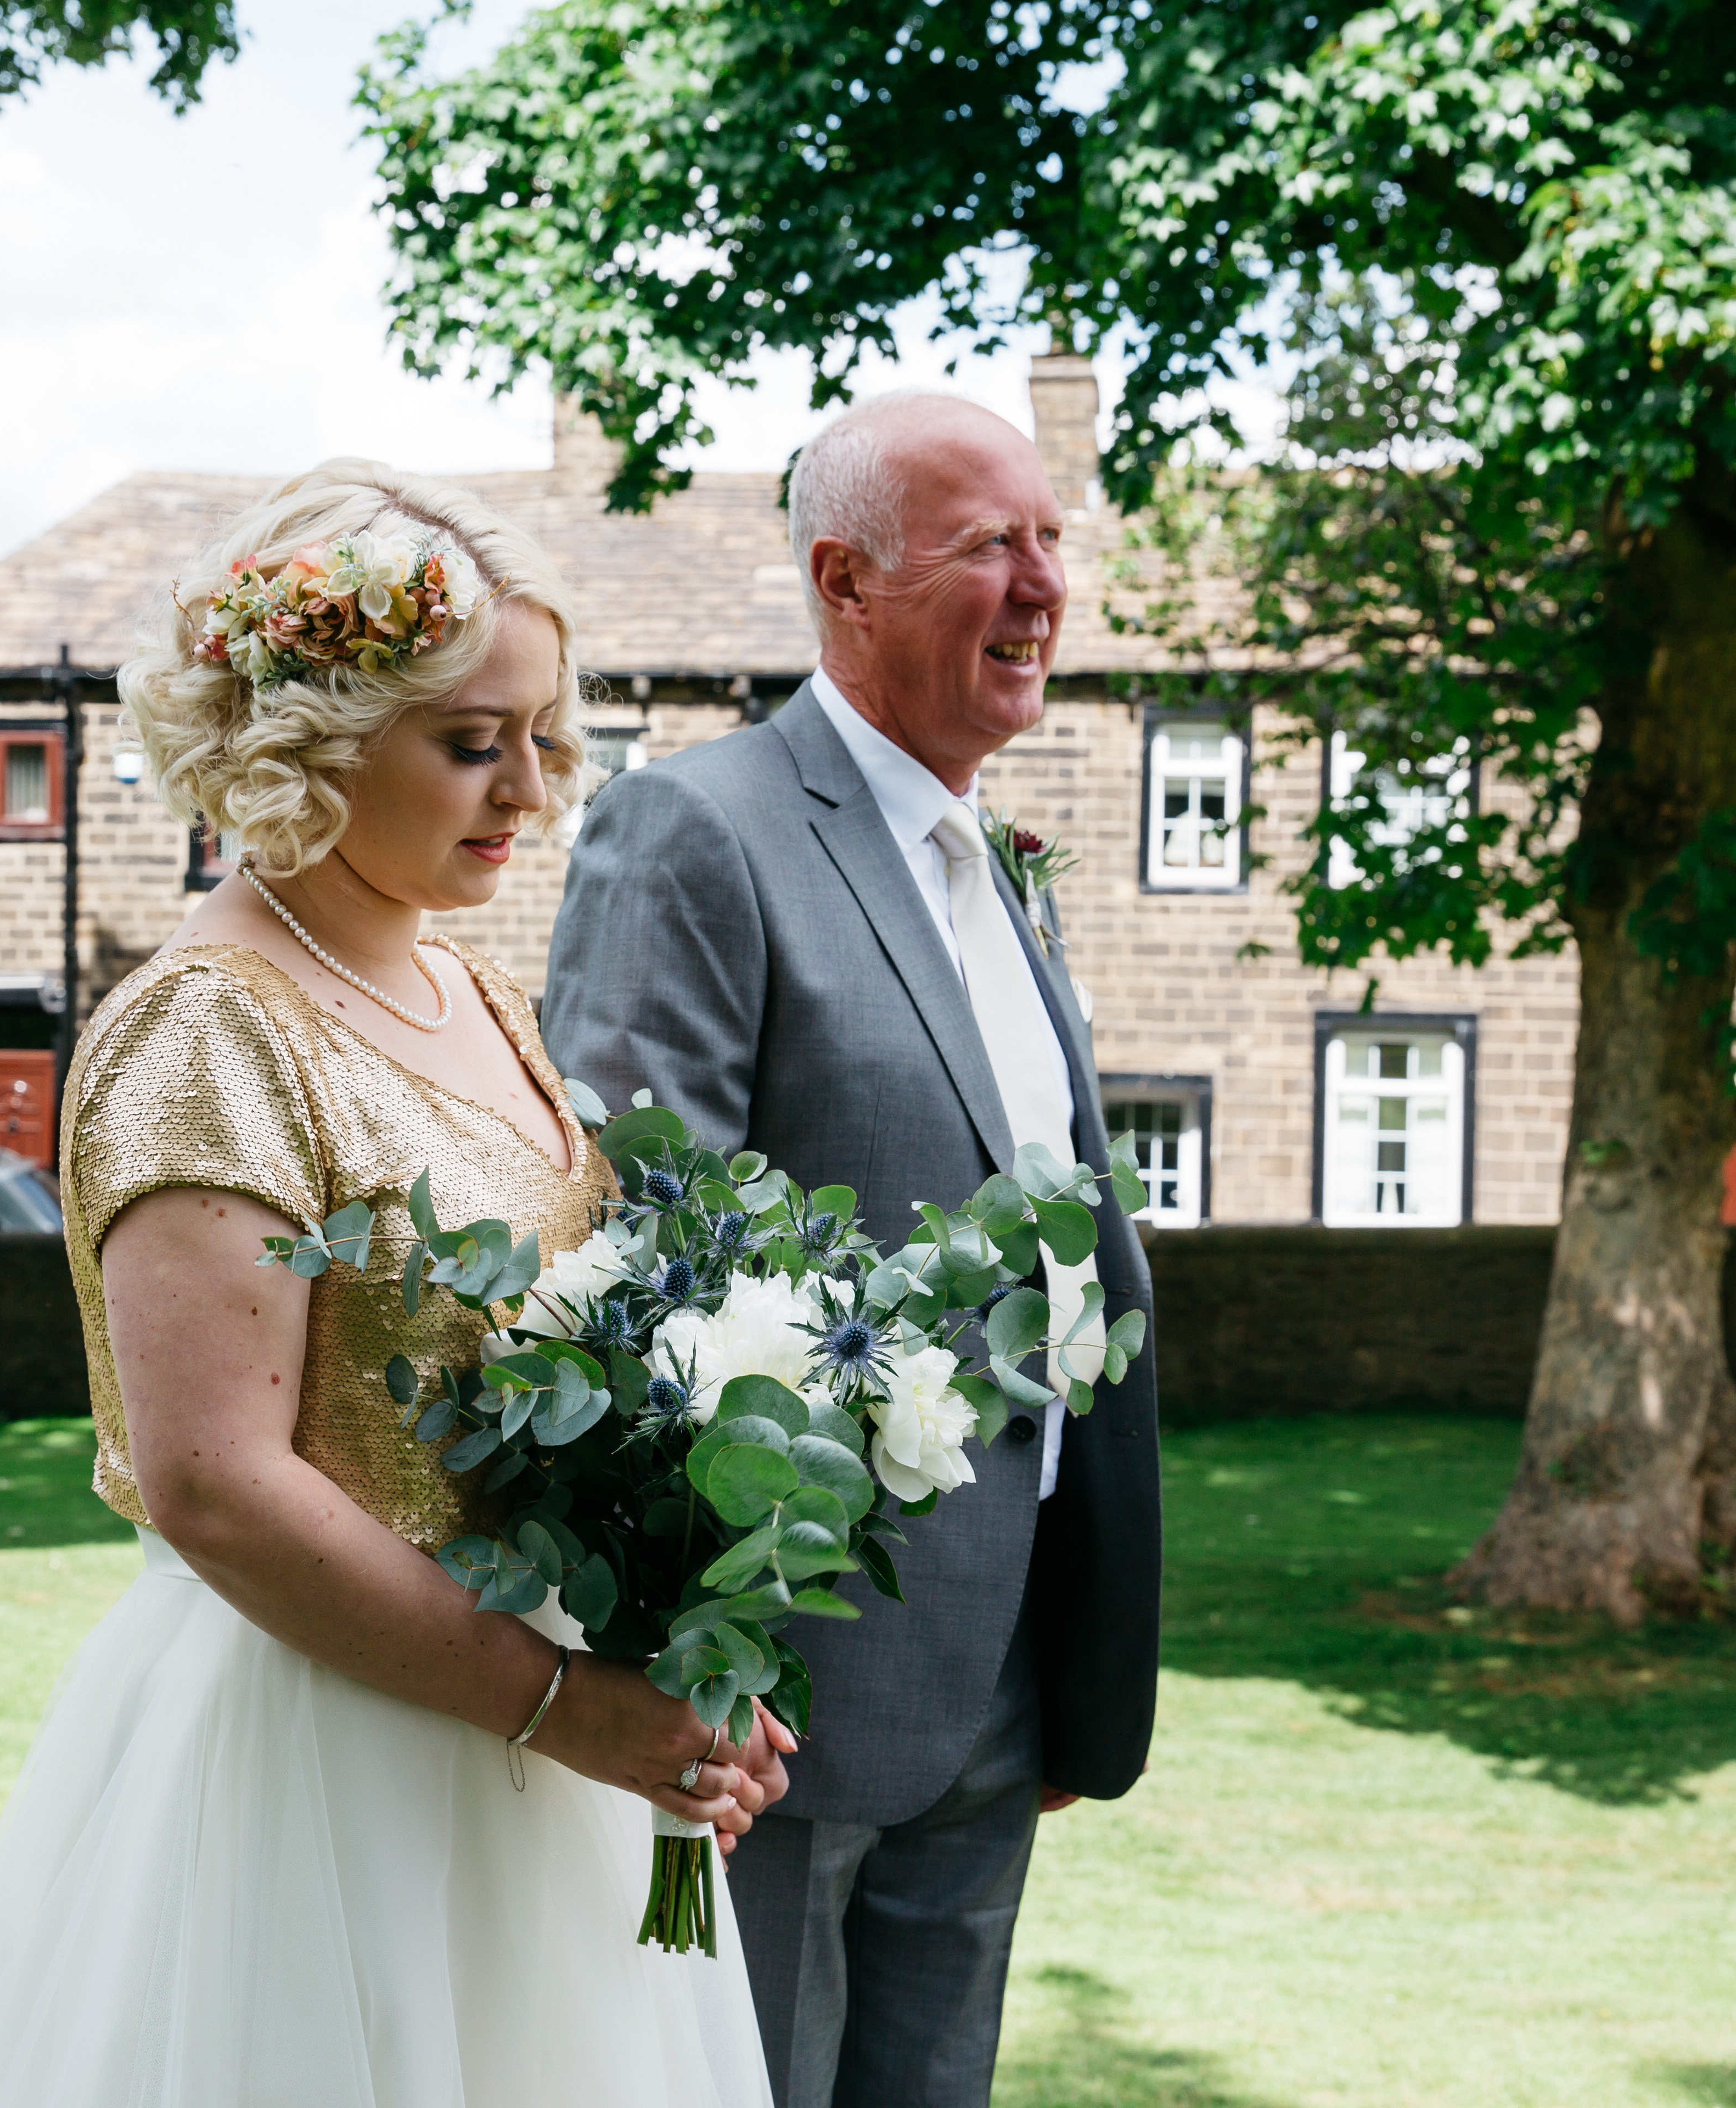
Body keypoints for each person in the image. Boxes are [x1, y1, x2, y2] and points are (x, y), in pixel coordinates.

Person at [0, 462, 786, 2108]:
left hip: (548, 1752)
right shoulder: (206, 1023)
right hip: (313, 1762)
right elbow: (215, 1486)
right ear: (308, 736)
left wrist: (679, 1641)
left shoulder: (472, 991)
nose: (530, 788)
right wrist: (561, 1708)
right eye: (472, 743)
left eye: (541, 736)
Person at [541, 393, 1164, 2108]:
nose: (1046, 584)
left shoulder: (1001, 868)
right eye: (992, 546)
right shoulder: (699, 831)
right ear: (846, 580)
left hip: (1007, 1666)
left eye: (1052, 539)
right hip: (784, 1688)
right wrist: (691, 1652)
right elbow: (635, 1262)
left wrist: (1064, 1644)